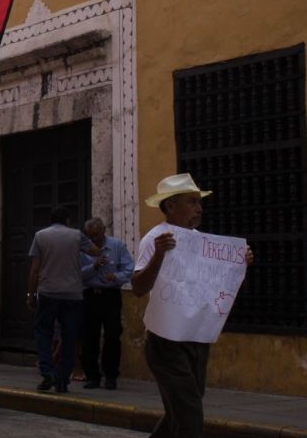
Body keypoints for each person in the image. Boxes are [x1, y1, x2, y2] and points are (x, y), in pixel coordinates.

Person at [131, 173, 253, 437]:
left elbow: (212, 284)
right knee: (188, 411)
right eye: (192, 202)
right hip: (166, 340)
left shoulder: (202, 242)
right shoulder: (155, 238)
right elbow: (138, 288)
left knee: (184, 405)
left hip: (196, 338)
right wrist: (160, 254)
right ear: (171, 206)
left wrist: (239, 264)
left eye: (199, 202)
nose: (199, 208)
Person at [26, 207, 100, 393]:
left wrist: (31, 294)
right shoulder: (76, 235)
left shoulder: (40, 236)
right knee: (69, 337)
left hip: (48, 292)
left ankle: (47, 372)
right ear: (68, 220)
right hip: (72, 294)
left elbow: (35, 269)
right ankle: (62, 380)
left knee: (43, 333)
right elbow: (95, 251)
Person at [78, 217, 134, 390]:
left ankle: (111, 375)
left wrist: (116, 277)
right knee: (89, 337)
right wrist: (93, 267)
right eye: (90, 236)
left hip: (110, 296)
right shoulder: (83, 249)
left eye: (96, 235)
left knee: (112, 336)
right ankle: (92, 376)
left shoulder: (117, 246)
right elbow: (78, 274)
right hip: (90, 295)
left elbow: (129, 268)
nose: (94, 239)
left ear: (103, 230)